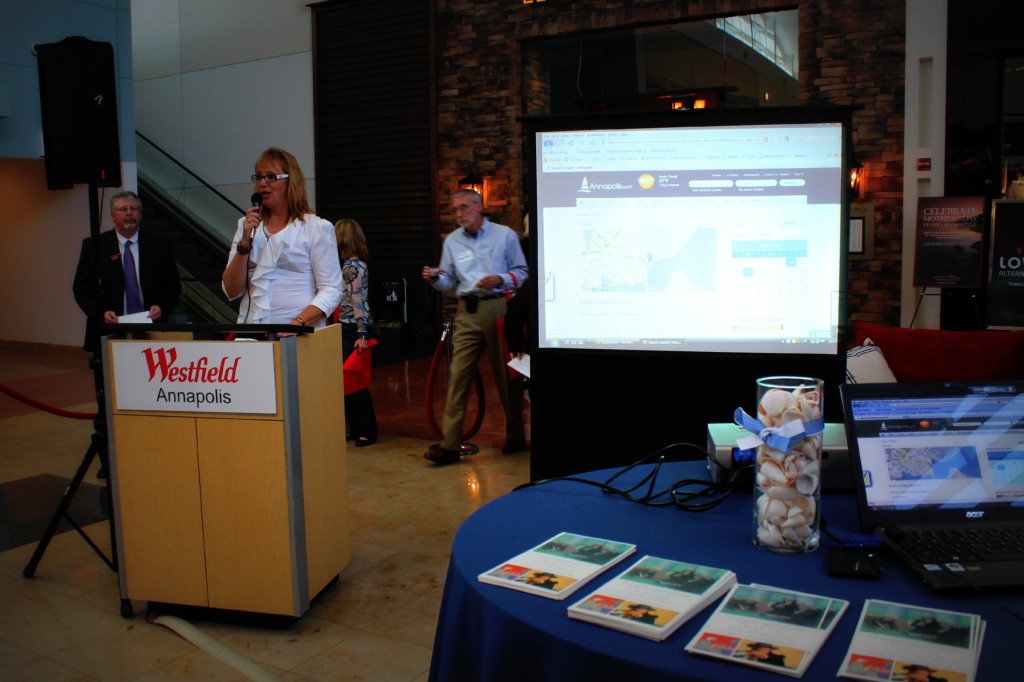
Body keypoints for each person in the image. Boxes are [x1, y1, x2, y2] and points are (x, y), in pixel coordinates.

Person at [421, 189, 528, 465]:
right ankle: (450, 445)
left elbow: (523, 273)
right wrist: (436, 279)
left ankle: (515, 435)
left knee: (506, 378)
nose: (459, 214)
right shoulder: (452, 241)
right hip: (466, 311)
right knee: (458, 376)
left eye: (464, 207)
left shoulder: (504, 236)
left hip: (498, 308)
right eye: (455, 209)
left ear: (479, 206)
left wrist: (500, 279)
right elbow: (449, 281)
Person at [222, 147, 342, 329]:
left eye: (271, 176)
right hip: (253, 332)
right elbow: (231, 291)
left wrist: (297, 324)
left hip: (300, 334)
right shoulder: (246, 226)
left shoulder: (315, 228)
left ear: (291, 182)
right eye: (258, 177)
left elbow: (332, 289)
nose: (262, 183)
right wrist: (244, 244)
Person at [73, 190, 182, 354]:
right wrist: (101, 312)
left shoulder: (159, 245)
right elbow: (82, 288)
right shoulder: (94, 246)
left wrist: (162, 307)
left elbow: (173, 286)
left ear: (140, 214)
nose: (129, 213)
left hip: (152, 329)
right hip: (109, 329)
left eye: (134, 209)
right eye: (123, 209)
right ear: (113, 215)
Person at [334, 218, 378, 447]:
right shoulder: (355, 264)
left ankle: (366, 430)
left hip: (354, 326)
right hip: (350, 324)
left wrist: (361, 336)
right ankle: (357, 427)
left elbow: (358, 301)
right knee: (349, 380)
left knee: (354, 381)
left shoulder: (352, 267)